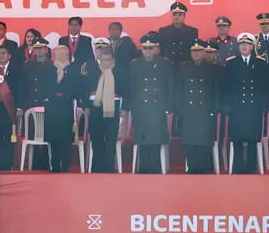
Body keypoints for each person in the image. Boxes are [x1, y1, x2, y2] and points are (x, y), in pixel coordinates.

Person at [223, 33, 269, 174]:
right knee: (237, 139)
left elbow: (264, 87)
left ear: (252, 46)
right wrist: (227, 107)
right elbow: (226, 87)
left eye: (247, 44)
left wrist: (263, 107)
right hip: (236, 109)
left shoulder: (260, 63)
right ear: (239, 46)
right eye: (242, 44)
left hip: (254, 109)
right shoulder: (231, 63)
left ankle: (250, 167)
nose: (244, 46)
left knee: (252, 139)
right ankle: (238, 167)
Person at [129, 33, 174, 173]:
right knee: (142, 138)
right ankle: (143, 167)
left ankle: (154, 167)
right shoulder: (134, 64)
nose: (148, 51)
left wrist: (168, 106)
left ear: (155, 49)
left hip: (158, 106)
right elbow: (132, 86)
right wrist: (132, 106)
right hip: (141, 106)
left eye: (150, 48)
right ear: (141, 49)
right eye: (145, 48)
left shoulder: (164, 64)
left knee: (155, 138)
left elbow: (169, 86)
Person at [84, 39, 129, 172]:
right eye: (103, 60)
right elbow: (84, 89)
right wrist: (86, 106)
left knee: (110, 140)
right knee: (96, 138)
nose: (105, 62)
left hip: (113, 107)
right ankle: (97, 168)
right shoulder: (91, 68)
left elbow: (127, 90)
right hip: (95, 107)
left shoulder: (120, 70)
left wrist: (125, 107)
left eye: (108, 60)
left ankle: (109, 168)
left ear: (112, 60)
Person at [176, 40, 220, 174]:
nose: (196, 53)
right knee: (190, 140)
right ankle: (192, 167)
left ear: (204, 52)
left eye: (199, 51)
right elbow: (179, 89)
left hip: (205, 110)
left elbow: (216, 90)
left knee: (204, 140)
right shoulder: (184, 67)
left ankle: (203, 167)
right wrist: (179, 108)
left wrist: (215, 108)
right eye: (193, 51)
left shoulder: (212, 68)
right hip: (188, 110)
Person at [46, 45, 84, 172]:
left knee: (66, 139)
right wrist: (55, 96)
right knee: (54, 140)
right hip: (52, 109)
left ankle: (66, 166)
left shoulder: (74, 69)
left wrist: (64, 96)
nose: (64, 56)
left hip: (67, 109)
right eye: (60, 54)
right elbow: (45, 88)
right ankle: (55, 165)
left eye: (66, 54)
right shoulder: (49, 69)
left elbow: (77, 88)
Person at [21, 37, 57, 170]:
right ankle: (34, 164)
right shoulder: (27, 65)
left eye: (41, 48)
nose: (39, 51)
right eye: (36, 48)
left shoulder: (53, 65)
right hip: (31, 103)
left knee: (47, 134)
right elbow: (23, 86)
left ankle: (47, 163)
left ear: (46, 50)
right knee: (32, 134)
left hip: (48, 104)